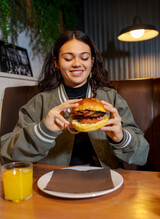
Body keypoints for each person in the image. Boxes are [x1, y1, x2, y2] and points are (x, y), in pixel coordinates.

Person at [1, 30, 149, 168]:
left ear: (92, 62)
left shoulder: (112, 99)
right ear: (56, 63)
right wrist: (42, 132)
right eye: (68, 58)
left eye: (84, 57)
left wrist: (121, 138)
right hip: (53, 180)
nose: (77, 63)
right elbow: (6, 155)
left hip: (107, 178)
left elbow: (142, 154)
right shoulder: (39, 103)